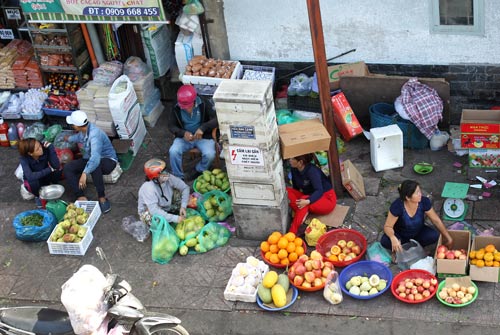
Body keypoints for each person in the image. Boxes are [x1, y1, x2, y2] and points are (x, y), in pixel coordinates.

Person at [63, 110, 118, 213]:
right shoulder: (84, 130)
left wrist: (84, 173)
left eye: (73, 124)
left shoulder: (94, 135)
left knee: (95, 165)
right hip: (90, 158)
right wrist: (68, 139)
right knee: (68, 168)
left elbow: (95, 158)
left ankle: (102, 197)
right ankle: (80, 196)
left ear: (77, 126)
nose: (72, 126)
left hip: (108, 160)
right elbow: (79, 137)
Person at [380, 180, 453, 254]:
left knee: (434, 235)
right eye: (417, 193)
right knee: (385, 241)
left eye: (419, 191)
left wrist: (448, 237)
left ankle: (414, 247)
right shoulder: (397, 207)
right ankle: (399, 249)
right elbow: (388, 226)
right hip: (400, 235)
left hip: (418, 232)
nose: (420, 194)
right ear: (408, 198)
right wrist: (393, 238)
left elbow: (436, 220)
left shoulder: (424, 202)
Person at [168, 84, 218, 181]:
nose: (186, 109)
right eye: (184, 107)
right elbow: (171, 125)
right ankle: (178, 177)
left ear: (194, 100)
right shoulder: (176, 106)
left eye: (188, 106)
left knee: (210, 154)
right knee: (173, 151)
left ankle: (199, 170)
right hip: (184, 138)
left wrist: (203, 128)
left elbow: (216, 119)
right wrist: (183, 133)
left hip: (203, 137)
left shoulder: (203, 102)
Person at [286, 153, 337, 234]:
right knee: (287, 190)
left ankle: (292, 233)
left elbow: (319, 191)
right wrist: (299, 201)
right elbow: (296, 188)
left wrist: (307, 201)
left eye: (292, 159)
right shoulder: (294, 169)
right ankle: (303, 211)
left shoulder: (312, 171)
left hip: (326, 198)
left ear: (300, 162)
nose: (289, 160)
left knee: (304, 200)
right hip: (309, 196)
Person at [138, 158, 190, 225]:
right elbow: (154, 210)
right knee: (153, 218)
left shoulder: (167, 177)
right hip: (150, 210)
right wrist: (175, 218)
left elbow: (185, 187)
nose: (166, 174)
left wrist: (183, 206)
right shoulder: (148, 188)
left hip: (165, 204)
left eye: (165, 171)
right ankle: (164, 221)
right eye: (162, 173)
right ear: (155, 178)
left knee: (182, 196)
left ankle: (169, 213)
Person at [18, 138, 62, 208]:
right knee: (32, 182)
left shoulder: (45, 149)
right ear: (30, 153)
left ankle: (52, 186)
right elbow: (30, 176)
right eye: (37, 149)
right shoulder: (24, 159)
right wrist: (49, 169)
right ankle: (38, 195)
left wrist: (51, 148)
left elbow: (56, 166)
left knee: (58, 170)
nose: (41, 149)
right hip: (35, 180)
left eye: (40, 146)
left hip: (45, 176)